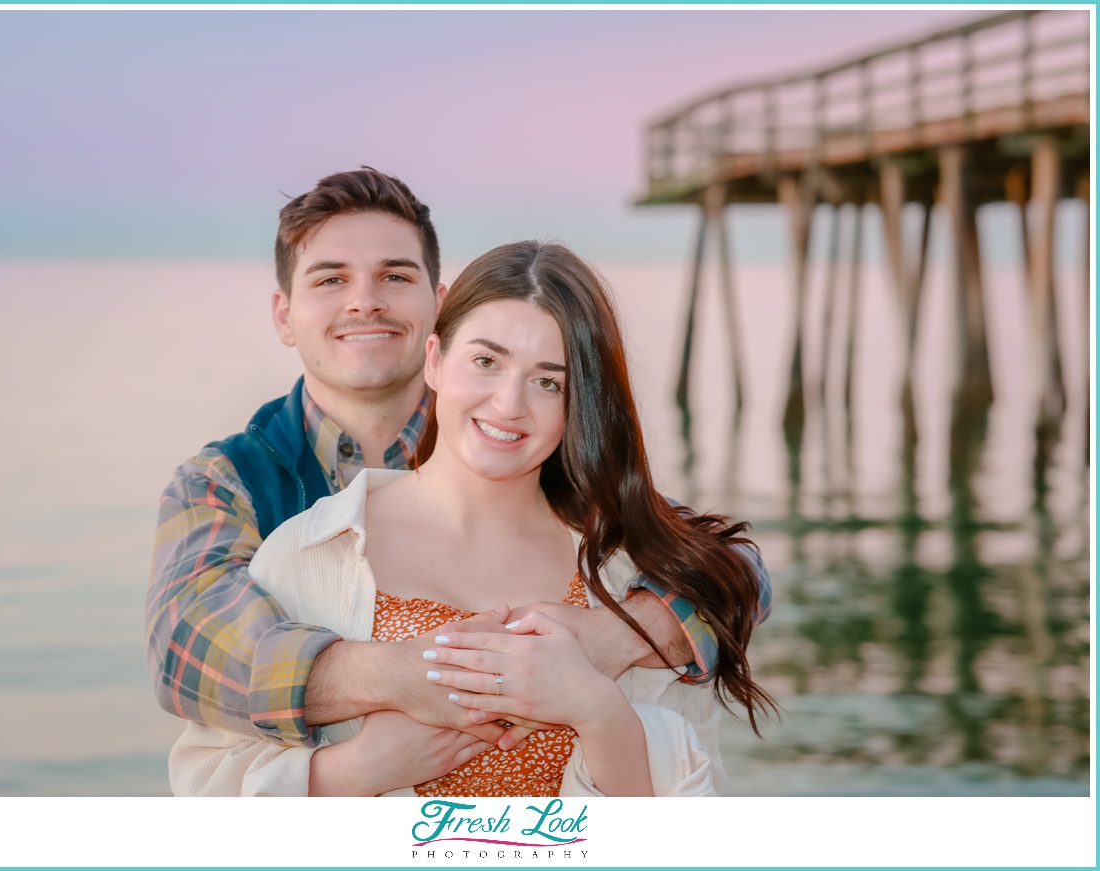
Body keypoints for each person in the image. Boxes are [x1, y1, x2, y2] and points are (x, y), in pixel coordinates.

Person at [146, 168, 766, 792]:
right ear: (284, 316)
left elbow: (724, 566)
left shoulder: (570, 503)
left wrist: (618, 637)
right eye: (331, 278)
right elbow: (188, 651)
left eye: (395, 275)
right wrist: (402, 679)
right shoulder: (236, 490)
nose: (365, 301)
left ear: (437, 313)